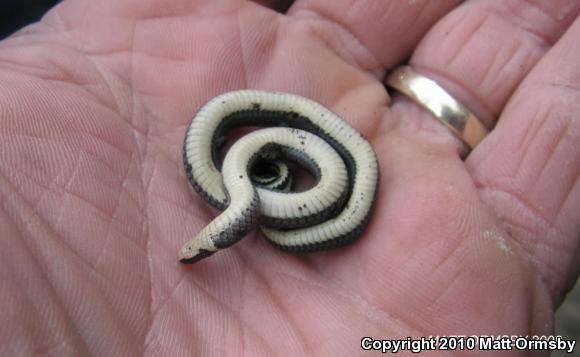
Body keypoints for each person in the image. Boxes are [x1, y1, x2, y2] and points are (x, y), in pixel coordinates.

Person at [0, 0, 578, 355]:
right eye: (209, 245)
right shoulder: (243, 176)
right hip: (277, 156)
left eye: (210, 243)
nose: (205, 246)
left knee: (292, 183)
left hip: (297, 155)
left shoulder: (258, 174)